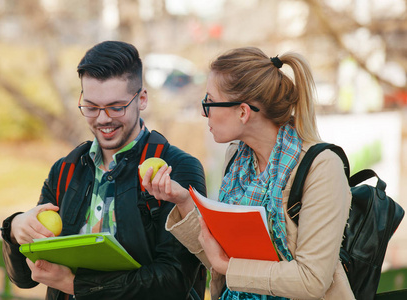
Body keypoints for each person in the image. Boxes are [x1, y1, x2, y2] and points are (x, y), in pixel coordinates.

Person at [0, 41, 206, 300]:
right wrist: (14, 228)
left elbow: (174, 279)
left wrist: (76, 285)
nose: (103, 118)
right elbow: (25, 278)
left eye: (116, 107)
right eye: (92, 107)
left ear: (141, 99)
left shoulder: (179, 168)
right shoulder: (64, 170)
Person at [141, 47, 355, 299]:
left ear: (243, 112)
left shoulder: (321, 167)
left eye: (209, 102)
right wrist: (183, 200)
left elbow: (312, 280)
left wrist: (228, 267)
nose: (203, 112)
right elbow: (218, 258)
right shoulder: (238, 160)